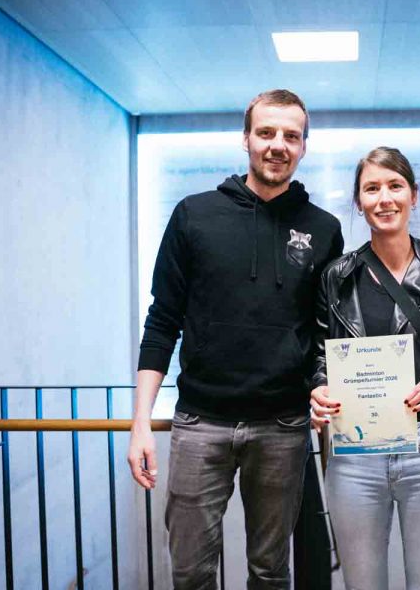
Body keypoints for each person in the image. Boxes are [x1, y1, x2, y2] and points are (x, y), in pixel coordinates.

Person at [127, 89, 344, 589]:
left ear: (304, 146)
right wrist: (141, 423)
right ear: (245, 139)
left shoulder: (324, 229)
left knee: (270, 573)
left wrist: (323, 387)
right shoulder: (193, 215)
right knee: (190, 573)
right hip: (200, 422)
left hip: (283, 426)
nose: (277, 145)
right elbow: (162, 322)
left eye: (291, 136)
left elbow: (326, 333)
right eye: (266, 132)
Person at [310, 147, 420, 590]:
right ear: (358, 202)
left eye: (395, 186)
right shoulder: (337, 276)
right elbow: (320, 355)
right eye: (371, 188)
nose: (384, 198)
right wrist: (318, 388)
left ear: (413, 195)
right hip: (357, 453)